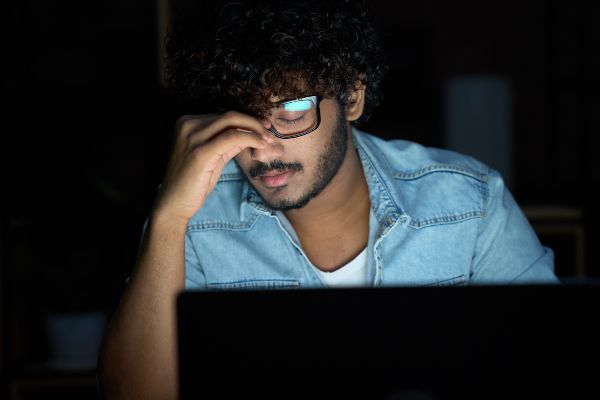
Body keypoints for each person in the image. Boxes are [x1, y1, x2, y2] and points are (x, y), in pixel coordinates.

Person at [98, 1, 558, 398]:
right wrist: (168, 216)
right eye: (244, 116)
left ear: (352, 97)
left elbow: (554, 371)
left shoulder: (469, 203)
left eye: (294, 109)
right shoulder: (191, 219)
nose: (264, 147)